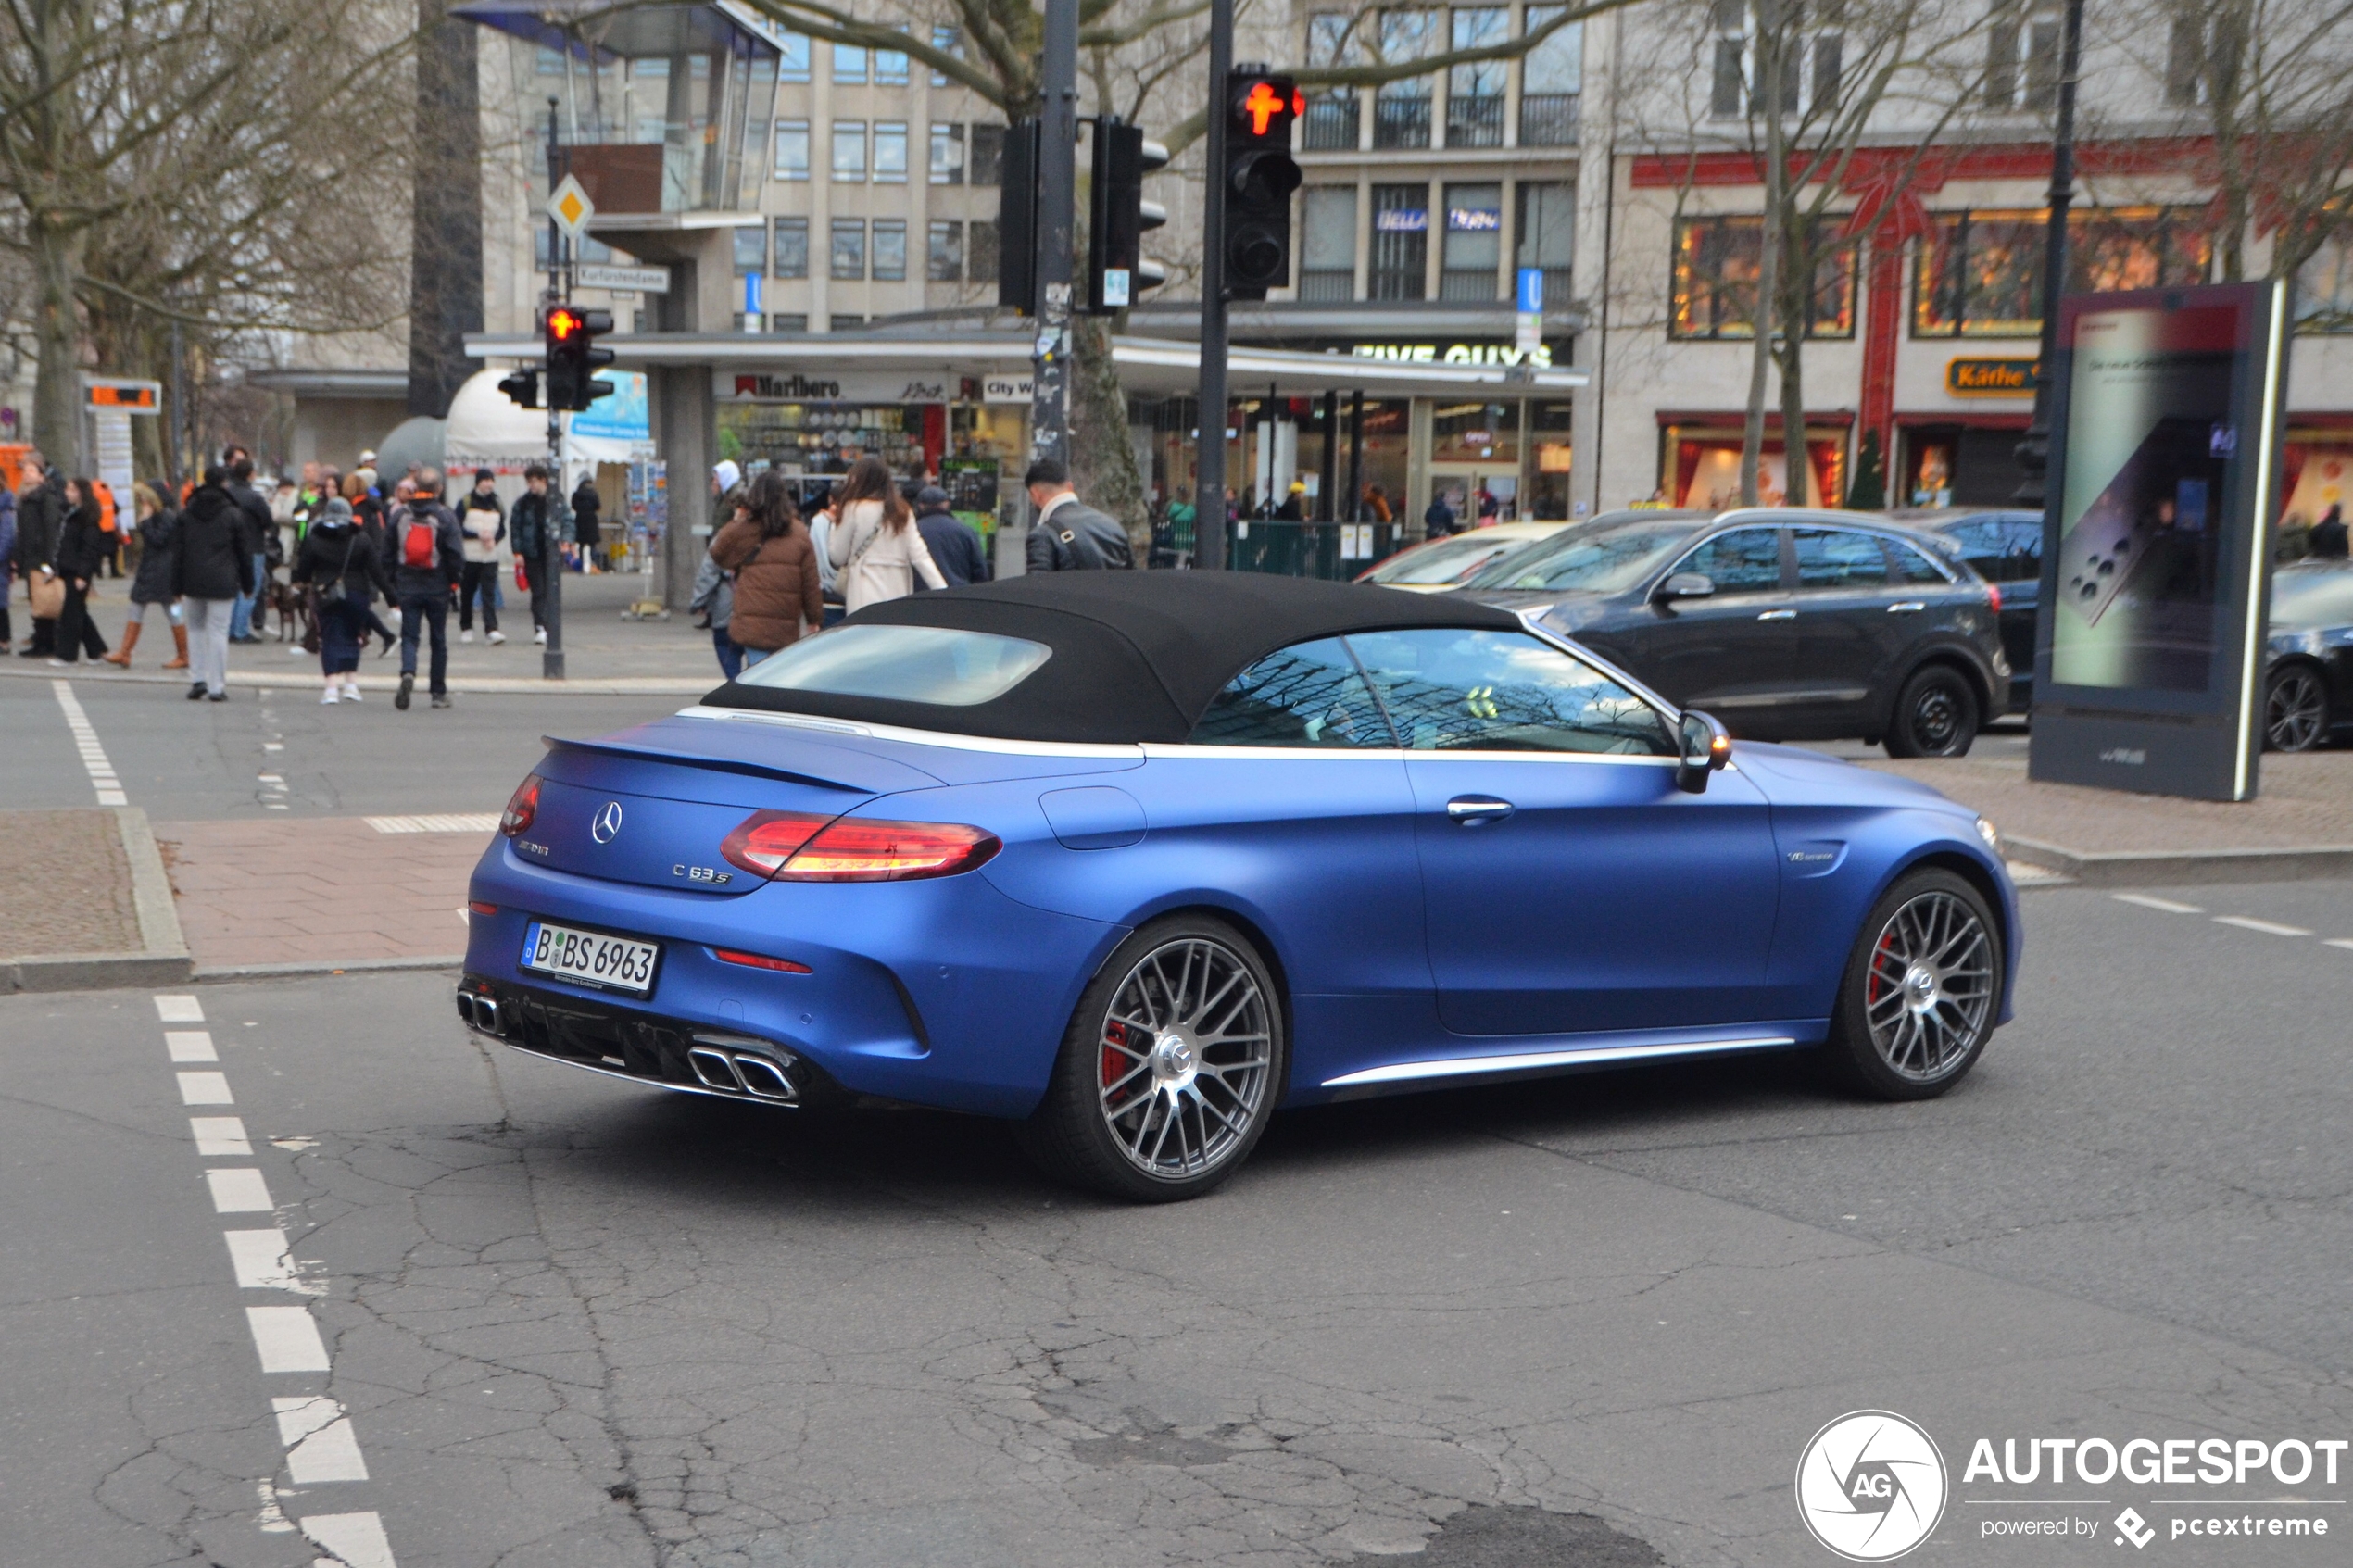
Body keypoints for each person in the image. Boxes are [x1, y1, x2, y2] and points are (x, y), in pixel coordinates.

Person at [710, 470, 823, 666]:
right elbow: (810, 582)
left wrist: (739, 518)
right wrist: (814, 618)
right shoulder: (799, 532)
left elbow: (718, 552)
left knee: (757, 675)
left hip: (752, 623)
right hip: (785, 625)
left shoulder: (745, 528)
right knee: (777, 678)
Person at [293, 496, 393, 704]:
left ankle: (331, 688)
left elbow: (303, 570)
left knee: (328, 638)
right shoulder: (361, 538)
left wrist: (301, 582)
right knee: (353, 636)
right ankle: (351, 684)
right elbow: (377, 573)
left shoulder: (314, 538)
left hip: (326, 592)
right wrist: (393, 598)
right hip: (357, 592)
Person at [173, 468, 255, 701]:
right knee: (218, 632)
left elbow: (178, 551)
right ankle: (216, 686)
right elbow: (243, 554)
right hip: (223, 580)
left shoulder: (188, 512)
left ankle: (197, 679)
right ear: (224, 483)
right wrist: (248, 584)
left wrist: (175, 586)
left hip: (191, 579)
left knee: (195, 629)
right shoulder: (232, 514)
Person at [825, 457, 945, 611]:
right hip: (897, 594)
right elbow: (921, 557)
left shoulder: (852, 509)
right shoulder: (903, 511)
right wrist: (943, 591)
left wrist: (835, 524)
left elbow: (837, 556)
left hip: (863, 593)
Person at [391, 469, 464, 710]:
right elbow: (455, 554)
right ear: (439, 489)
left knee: (410, 635)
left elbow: (387, 551)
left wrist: (394, 581)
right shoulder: (445, 517)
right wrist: (454, 581)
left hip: (408, 583)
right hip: (437, 584)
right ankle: (437, 692)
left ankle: (408, 671)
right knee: (438, 640)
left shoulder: (401, 514)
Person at [104, 483, 185, 669]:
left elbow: (158, 540)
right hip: (152, 569)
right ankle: (125, 652)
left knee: (173, 610)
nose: (142, 502)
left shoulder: (166, 517)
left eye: (144, 498)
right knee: (137, 606)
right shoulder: (161, 516)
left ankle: (184, 653)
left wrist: (145, 522)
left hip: (163, 571)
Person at [1022, 458, 1132, 571]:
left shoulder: (1043, 535)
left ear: (1035, 493)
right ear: (1070, 487)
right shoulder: (1113, 526)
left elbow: (1037, 587)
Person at [46, 479, 111, 666]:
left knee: (71, 613)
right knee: (79, 610)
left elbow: (89, 549)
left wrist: (83, 574)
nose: (67, 492)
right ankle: (96, 650)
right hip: (68, 567)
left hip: (77, 570)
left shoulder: (87, 518)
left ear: (81, 492)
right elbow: (64, 544)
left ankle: (67, 655)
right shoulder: (71, 513)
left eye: (72, 489)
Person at [508, 464, 573, 645]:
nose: (531, 486)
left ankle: (550, 625)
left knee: (551, 590)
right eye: (529, 482)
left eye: (534, 482)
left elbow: (567, 521)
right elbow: (515, 528)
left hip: (552, 552)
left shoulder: (556, 500)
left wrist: (566, 541)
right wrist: (517, 552)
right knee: (538, 591)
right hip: (531, 553)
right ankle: (540, 626)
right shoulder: (522, 503)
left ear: (543, 480)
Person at [15, 455, 65, 655]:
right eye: (25, 471)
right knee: (35, 598)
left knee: (45, 599)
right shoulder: (26, 497)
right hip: (30, 556)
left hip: (41, 558)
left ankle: (47, 642)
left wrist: (49, 561)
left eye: (31, 471)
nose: (26, 474)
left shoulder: (46, 497)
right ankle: (40, 638)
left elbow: (51, 530)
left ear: (41, 476)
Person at [224, 454, 273, 643]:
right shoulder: (254, 497)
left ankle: (230, 629)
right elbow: (267, 521)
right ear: (251, 475)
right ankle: (241, 629)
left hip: (230, 547)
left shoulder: (227, 495)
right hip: (253, 546)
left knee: (234, 589)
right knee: (249, 589)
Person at [455, 468, 506, 644]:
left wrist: (495, 539)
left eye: (491, 480)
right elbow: (456, 528)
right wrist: (477, 535)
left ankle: (491, 629)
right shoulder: (466, 502)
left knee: (488, 593)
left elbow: (502, 529)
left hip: (490, 556)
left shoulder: (497, 503)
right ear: (478, 482)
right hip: (470, 556)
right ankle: (466, 626)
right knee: (467, 592)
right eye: (485, 480)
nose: (489, 484)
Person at [912, 485, 988, 589]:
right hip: (958, 595)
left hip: (920, 597)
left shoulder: (912, 531)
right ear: (946, 504)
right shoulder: (966, 531)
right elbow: (980, 572)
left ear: (920, 506)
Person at [689, 540, 740, 678]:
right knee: (761, 669)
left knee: (727, 651)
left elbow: (708, 573)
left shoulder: (726, 536)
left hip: (726, 612)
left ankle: (738, 690)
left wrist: (697, 602)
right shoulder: (776, 533)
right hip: (763, 618)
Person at [571, 474, 602, 571]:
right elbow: (598, 506)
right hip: (591, 519)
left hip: (580, 519)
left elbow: (573, 505)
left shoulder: (576, 494)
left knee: (581, 544)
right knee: (592, 544)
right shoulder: (593, 494)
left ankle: (581, 564)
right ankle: (593, 564)